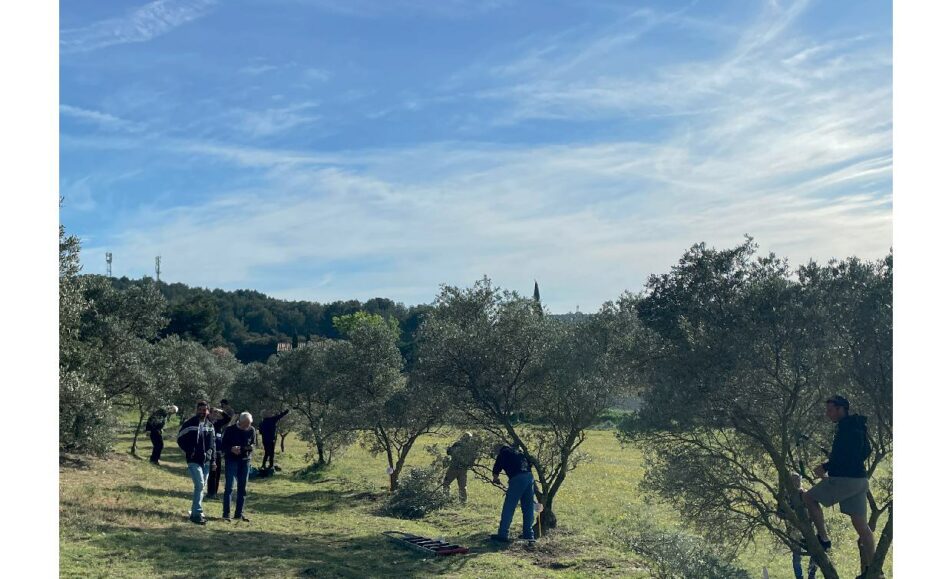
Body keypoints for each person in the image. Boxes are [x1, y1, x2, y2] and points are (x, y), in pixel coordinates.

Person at [803, 395, 877, 579]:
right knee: (861, 526)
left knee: (808, 498)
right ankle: (875, 570)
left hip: (846, 480)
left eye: (830, 410)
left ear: (841, 409)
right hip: (860, 480)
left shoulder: (846, 429)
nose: (828, 414)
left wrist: (826, 467)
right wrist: (836, 465)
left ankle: (824, 539)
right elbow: (865, 451)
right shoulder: (858, 426)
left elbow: (845, 456)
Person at [177, 400, 216, 525]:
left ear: (207, 411)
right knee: (199, 484)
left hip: (206, 461)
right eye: (200, 410)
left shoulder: (210, 425)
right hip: (193, 460)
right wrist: (189, 451)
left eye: (204, 410)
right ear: (196, 410)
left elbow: (213, 444)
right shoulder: (189, 423)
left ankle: (195, 512)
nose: (202, 412)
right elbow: (180, 438)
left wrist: (213, 460)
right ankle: (197, 514)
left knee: (201, 487)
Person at [489, 443, 536, 544]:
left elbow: (496, 469)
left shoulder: (503, 453)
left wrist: (495, 479)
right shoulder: (519, 452)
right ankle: (529, 535)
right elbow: (529, 464)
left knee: (509, 507)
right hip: (529, 477)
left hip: (517, 479)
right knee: (528, 507)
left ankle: (502, 534)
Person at [222, 411, 257, 522]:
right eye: (245, 424)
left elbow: (253, 445)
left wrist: (243, 449)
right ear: (240, 422)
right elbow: (222, 446)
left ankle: (239, 514)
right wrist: (231, 449)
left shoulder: (252, 430)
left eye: (249, 424)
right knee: (229, 488)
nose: (247, 427)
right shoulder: (230, 430)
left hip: (245, 461)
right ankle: (226, 514)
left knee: (243, 489)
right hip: (231, 460)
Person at [205, 406, 233, 500]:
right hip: (209, 452)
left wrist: (221, 411)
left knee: (217, 473)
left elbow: (228, 418)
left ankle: (214, 493)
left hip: (218, 452)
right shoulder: (206, 422)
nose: (216, 415)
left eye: (217, 414)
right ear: (209, 413)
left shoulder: (218, 423)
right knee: (211, 473)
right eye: (214, 413)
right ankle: (210, 492)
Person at [443, 432, 477, 503]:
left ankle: (446, 499)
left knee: (446, 483)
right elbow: (473, 459)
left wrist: (449, 448)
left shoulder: (457, 444)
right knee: (462, 486)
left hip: (453, 468)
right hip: (463, 469)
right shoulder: (471, 447)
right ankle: (463, 501)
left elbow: (449, 452)